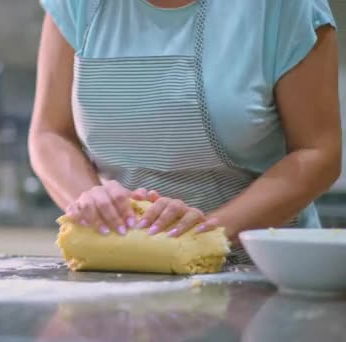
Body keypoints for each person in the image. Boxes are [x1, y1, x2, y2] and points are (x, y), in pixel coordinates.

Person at [28, 0, 341, 244]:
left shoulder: (281, 7)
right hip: (122, 266)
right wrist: (92, 202)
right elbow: (51, 133)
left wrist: (207, 231)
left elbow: (318, 152)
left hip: (259, 270)